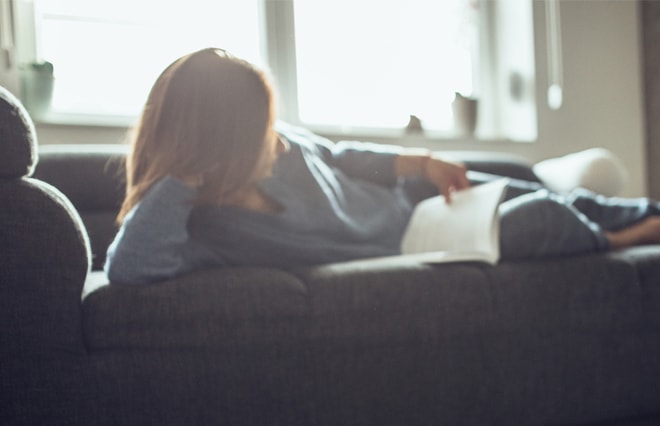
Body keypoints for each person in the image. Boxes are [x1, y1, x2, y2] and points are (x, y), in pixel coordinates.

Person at [105, 48, 660, 285]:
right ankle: (628, 239)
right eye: (254, 133)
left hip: (414, 200)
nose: (270, 143)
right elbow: (128, 269)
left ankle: (645, 213)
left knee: (536, 190)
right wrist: (184, 176)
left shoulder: (282, 146)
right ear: (217, 144)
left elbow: (347, 157)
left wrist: (422, 161)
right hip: (415, 243)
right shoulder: (203, 227)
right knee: (542, 217)